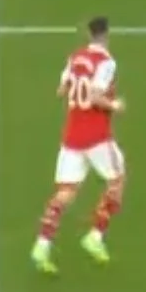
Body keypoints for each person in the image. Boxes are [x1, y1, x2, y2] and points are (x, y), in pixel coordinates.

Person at [30, 18, 125, 273]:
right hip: (97, 137)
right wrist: (114, 105)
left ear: (88, 34)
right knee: (116, 182)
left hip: (72, 137)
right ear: (106, 35)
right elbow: (94, 95)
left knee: (64, 194)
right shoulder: (106, 62)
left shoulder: (75, 58)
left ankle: (42, 244)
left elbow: (61, 90)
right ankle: (95, 236)